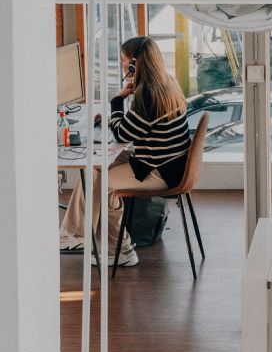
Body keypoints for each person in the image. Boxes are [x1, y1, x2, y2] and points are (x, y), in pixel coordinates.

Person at [59, 36, 191, 267]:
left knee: (101, 183)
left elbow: (123, 135)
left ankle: (116, 249)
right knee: (95, 168)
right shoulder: (167, 83)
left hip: (158, 170)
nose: (121, 64)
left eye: (122, 60)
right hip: (164, 162)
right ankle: (76, 234)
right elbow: (132, 127)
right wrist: (116, 119)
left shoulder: (148, 94)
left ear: (134, 64)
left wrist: (117, 100)